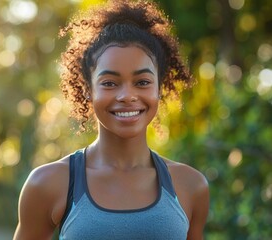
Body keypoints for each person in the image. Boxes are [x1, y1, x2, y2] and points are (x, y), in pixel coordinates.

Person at [14, 0, 209, 239]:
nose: (127, 96)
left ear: (159, 87)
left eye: (142, 82)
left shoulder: (190, 185)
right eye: (109, 83)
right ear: (88, 89)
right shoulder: (48, 183)